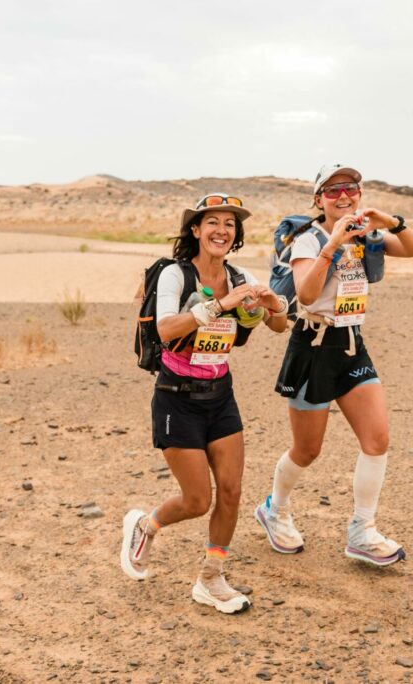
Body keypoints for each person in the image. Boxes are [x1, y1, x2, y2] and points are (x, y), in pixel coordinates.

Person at [120, 193, 287, 614]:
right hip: (176, 397)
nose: (221, 230)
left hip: (220, 395)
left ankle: (211, 579)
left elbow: (280, 326)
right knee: (197, 500)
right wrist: (221, 304)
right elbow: (165, 329)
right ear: (195, 230)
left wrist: (272, 306)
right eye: (212, 222)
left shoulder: (240, 275)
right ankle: (145, 526)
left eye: (230, 224)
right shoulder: (175, 274)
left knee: (231, 491)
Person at [254, 164, 413, 566]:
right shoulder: (308, 240)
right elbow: (306, 295)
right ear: (318, 200)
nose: (344, 195)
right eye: (332, 191)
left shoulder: (366, 235)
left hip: (350, 344)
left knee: (377, 440)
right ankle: (274, 509)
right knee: (307, 450)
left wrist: (391, 222)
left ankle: (362, 530)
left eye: (351, 188)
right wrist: (331, 245)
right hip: (313, 345)